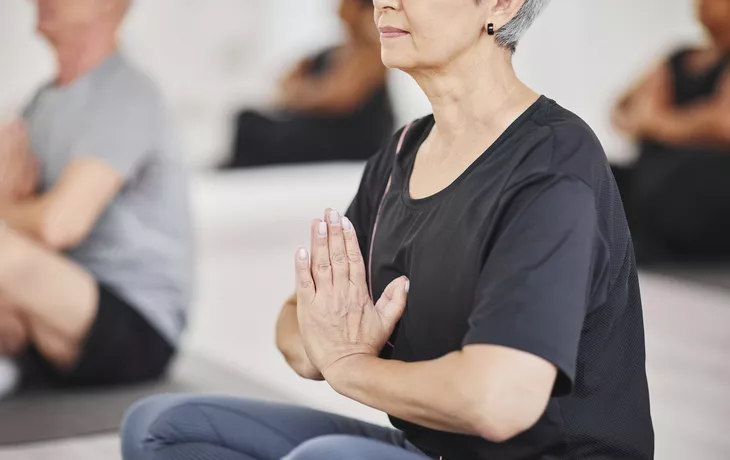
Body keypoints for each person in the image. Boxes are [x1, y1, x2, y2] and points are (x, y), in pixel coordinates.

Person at [122, 0, 654, 459]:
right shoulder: (402, 153)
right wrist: (326, 346)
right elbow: (299, 323)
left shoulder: (553, 160)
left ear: (499, 5)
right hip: (427, 448)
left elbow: (500, 402)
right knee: (160, 432)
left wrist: (349, 365)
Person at [0, 0, 192, 397]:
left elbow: (58, 225)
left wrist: (9, 210)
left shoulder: (128, 94)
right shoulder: (40, 102)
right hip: (59, 312)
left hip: (136, 324)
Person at [611, 0, 730, 264]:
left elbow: (724, 124)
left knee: (691, 169)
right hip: (656, 177)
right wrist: (689, 123)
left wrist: (656, 122)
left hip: (702, 186)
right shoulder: (679, 58)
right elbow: (621, 109)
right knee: (595, 171)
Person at [222, 0, 394, 168]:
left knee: (260, 131)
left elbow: (338, 98)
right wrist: (307, 93)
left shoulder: (372, 53)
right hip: (319, 128)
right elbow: (285, 81)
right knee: (247, 119)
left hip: (346, 139)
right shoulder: (332, 52)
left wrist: (300, 95)